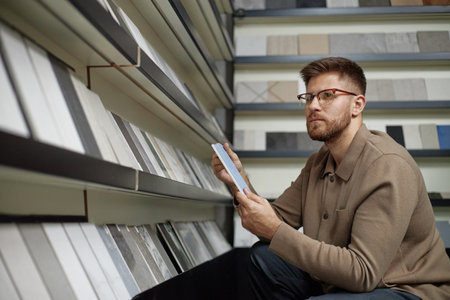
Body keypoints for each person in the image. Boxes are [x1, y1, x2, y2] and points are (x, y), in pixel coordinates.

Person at [212, 57, 450, 299]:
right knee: (263, 257)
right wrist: (237, 180)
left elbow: (362, 272)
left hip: (404, 290)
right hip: (339, 281)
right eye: (309, 97)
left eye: (327, 95)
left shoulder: (388, 165)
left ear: (357, 105)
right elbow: (274, 222)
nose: (313, 106)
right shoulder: (318, 162)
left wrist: (275, 231)